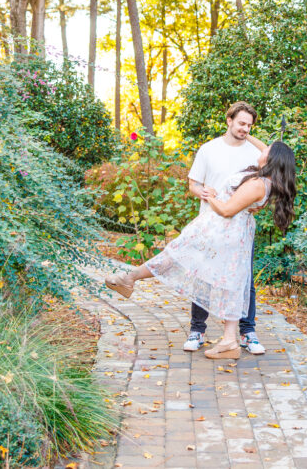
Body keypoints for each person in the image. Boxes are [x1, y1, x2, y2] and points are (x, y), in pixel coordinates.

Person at [104, 136, 296, 360]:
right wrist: (247, 133)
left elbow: (226, 210)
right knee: (223, 278)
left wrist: (210, 196)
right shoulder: (265, 177)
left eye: (268, 149)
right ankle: (228, 340)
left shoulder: (257, 183)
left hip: (223, 229)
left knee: (182, 257)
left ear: (272, 158)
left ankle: (131, 278)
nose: (263, 149)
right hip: (226, 230)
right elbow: (266, 151)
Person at [188, 102, 264, 354]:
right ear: (229, 120)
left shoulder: (255, 153)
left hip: (241, 229)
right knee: (203, 276)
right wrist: (206, 193)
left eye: (249, 125)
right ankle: (197, 330)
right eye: (241, 123)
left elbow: (265, 186)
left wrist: (259, 205)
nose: (245, 129)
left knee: (244, 279)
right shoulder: (209, 149)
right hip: (210, 224)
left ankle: (247, 331)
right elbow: (193, 185)